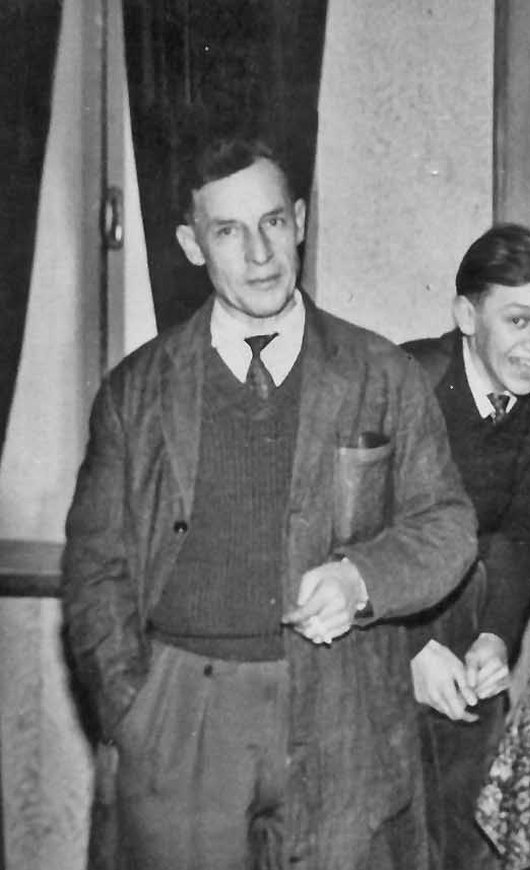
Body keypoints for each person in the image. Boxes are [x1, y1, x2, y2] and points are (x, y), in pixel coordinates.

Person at [61, 135, 477, 870]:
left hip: (344, 710)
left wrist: (361, 579)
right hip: (183, 715)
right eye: (229, 231)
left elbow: (448, 527)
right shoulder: (136, 390)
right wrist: (135, 711)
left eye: (274, 222)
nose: (259, 254)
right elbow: (95, 571)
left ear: (301, 221)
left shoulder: (382, 373)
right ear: (193, 245)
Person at [400, 224, 530, 870]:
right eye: (518, 320)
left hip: (467, 622)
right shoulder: (406, 382)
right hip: (377, 631)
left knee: (472, 832)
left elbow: (522, 534)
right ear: (466, 316)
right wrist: (410, 650)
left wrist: (496, 637)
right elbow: (346, 539)